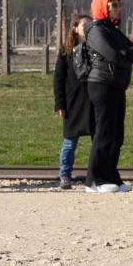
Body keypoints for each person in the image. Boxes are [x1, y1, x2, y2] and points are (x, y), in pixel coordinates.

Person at [81, 0, 133, 194]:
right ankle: (94, 180)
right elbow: (115, 56)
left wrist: (126, 54)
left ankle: (111, 176)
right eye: (113, 5)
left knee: (117, 135)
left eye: (118, 4)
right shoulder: (96, 30)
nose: (118, 8)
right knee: (104, 132)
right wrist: (126, 55)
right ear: (102, 7)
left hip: (116, 85)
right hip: (102, 85)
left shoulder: (113, 30)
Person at [52, 15, 94, 191]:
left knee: (98, 140)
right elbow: (58, 79)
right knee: (69, 143)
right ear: (75, 28)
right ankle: (65, 176)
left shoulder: (96, 49)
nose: (87, 27)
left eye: (90, 25)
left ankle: (97, 175)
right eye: (84, 24)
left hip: (92, 100)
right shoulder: (66, 51)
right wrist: (60, 104)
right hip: (73, 101)